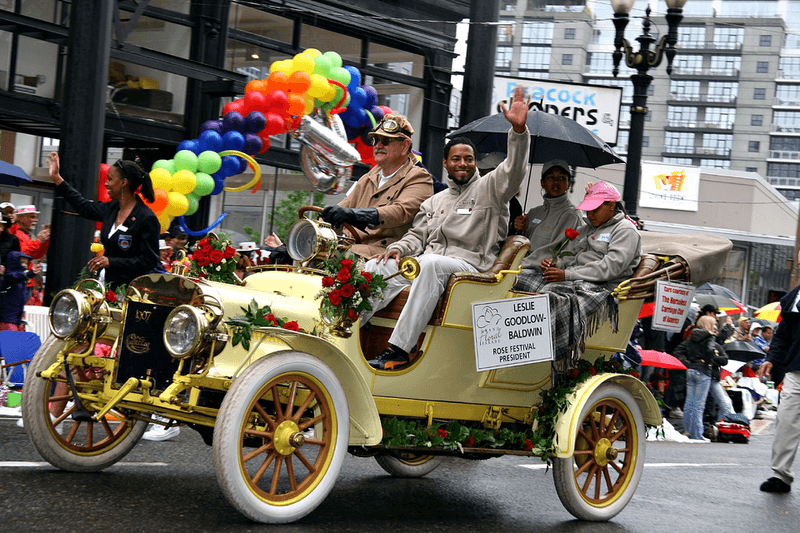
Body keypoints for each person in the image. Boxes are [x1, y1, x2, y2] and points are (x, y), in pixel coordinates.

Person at [360, 86, 531, 370]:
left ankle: (399, 350)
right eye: (456, 159)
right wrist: (398, 249)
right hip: (430, 265)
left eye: (468, 159)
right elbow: (417, 235)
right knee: (374, 267)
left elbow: (514, 169)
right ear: (446, 164)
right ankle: (348, 332)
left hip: (472, 267)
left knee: (429, 264)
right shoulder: (436, 200)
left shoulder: (491, 188)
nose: (462, 164)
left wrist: (518, 132)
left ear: (475, 163)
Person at [320, 114, 434, 257]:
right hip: (352, 248)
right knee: (305, 251)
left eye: (385, 140)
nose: (378, 145)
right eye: (375, 140)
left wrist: (355, 215)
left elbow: (400, 212)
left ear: (405, 146)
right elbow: (343, 207)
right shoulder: (367, 178)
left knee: (330, 257)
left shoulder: (419, 178)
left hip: (387, 255)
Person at [46, 152, 159, 290]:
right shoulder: (111, 208)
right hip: (104, 286)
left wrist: (112, 262)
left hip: (129, 291)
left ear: (124, 182)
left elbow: (149, 260)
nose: (106, 184)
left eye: (110, 179)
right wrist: (57, 179)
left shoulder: (146, 218)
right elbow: (83, 206)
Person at [758, 283, 800, 493]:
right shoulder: (794, 298)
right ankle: (781, 475)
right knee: (786, 419)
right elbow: (783, 335)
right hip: (796, 369)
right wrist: (772, 359)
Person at [513, 159, 582, 271]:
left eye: (561, 178)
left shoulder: (571, 214)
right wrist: (523, 230)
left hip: (541, 269)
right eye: (551, 177)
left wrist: (520, 263)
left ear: (568, 184)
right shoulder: (534, 212)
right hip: (522, 265)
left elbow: (554, 250)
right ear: (542, 183)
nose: (556, 182)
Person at [674, 315, 728, 441]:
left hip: (691, 370)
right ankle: (697, 434)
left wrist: (688, 363)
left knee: (689, 403)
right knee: (699, 405)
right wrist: (708, 362)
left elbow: (678, 350)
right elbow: (710, 351)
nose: (715, 327)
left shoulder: (692, 337)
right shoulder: (709, 337)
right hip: (703, 371)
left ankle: (687, 430)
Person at [0, 251, 41, 331]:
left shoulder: (21, 280)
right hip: (7, 319)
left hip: (16, 319)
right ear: (14, 262)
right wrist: (30, 273)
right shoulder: (9, 276)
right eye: (22, 262)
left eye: (26, 263)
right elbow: (19, 275)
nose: (25, 265)